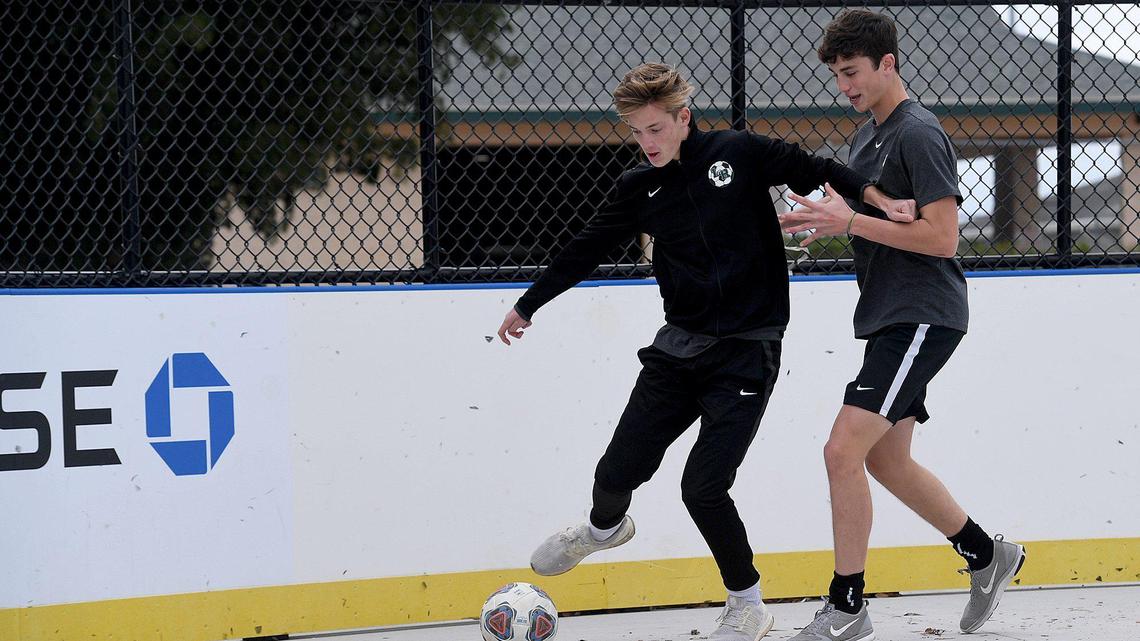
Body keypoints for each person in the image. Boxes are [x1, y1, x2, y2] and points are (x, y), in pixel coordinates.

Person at [496, 62, 913, 641]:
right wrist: (528, 304)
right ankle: (602, 529)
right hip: (678, 349)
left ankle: (748, 605)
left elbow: (816, 167)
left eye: (655, 130)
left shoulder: (737, 153)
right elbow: (585, 249)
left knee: (703, 486)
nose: (646, 143)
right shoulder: (638, 188)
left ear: (682, 118)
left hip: (747, 352)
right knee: (616, 471)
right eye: (636, 132)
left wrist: (874, 199)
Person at [777, 10, 1026, 640]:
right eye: (836, 75)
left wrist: (852, 223)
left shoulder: (918, 132)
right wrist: (828, 221)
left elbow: (942, 239)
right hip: (891, 319)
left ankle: (848, 605)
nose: (845, 86)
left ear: (889, 63)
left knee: (841, 452)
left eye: (853, 72)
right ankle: (986, 554)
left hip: (923, 314)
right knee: (886, 462)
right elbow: (877, 224)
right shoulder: (868, 139)